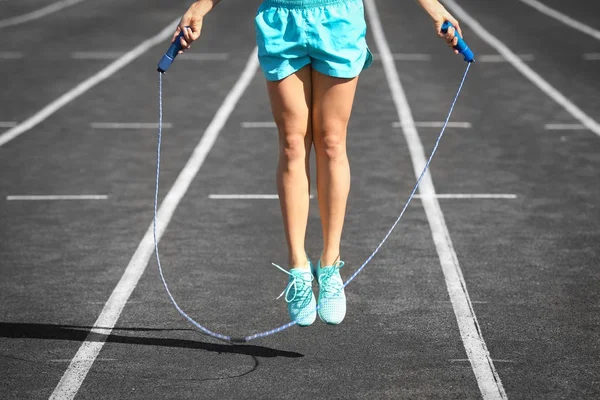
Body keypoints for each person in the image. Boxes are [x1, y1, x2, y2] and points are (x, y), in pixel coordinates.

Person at [171, 0, 462, 327]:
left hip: (337, 17)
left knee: (331, 140)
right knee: (293, 143)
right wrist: (201, 6)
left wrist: (435, 9)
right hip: (282, 20)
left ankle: (330, 264)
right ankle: (297, 265)